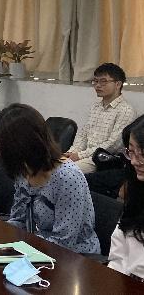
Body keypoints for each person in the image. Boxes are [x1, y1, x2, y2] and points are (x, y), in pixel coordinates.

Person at [0, 104, 99, 255]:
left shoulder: (67, 178)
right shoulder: (24, 170)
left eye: (2, 143)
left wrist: (22, 245)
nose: (0, 149)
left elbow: (64, 241)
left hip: (75, 257)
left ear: (21, 144)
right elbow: (20, 221)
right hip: (35, 249)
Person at [66, 62, 136, 174]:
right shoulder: (95, 107)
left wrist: (80, 155)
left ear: (118, 84)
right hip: (86, 155)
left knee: (65, 171)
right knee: (52, 165)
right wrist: (72, 152)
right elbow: (84, 134)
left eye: (103, 81)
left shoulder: (126, 110)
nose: (98, 85)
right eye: (95, 81)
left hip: (103, 159)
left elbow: (113, 145)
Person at [108, 119, 144, 279]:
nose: (135, 161)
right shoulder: (137, 193)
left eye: (143, 153)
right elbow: (118, 256)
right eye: (131, 151)